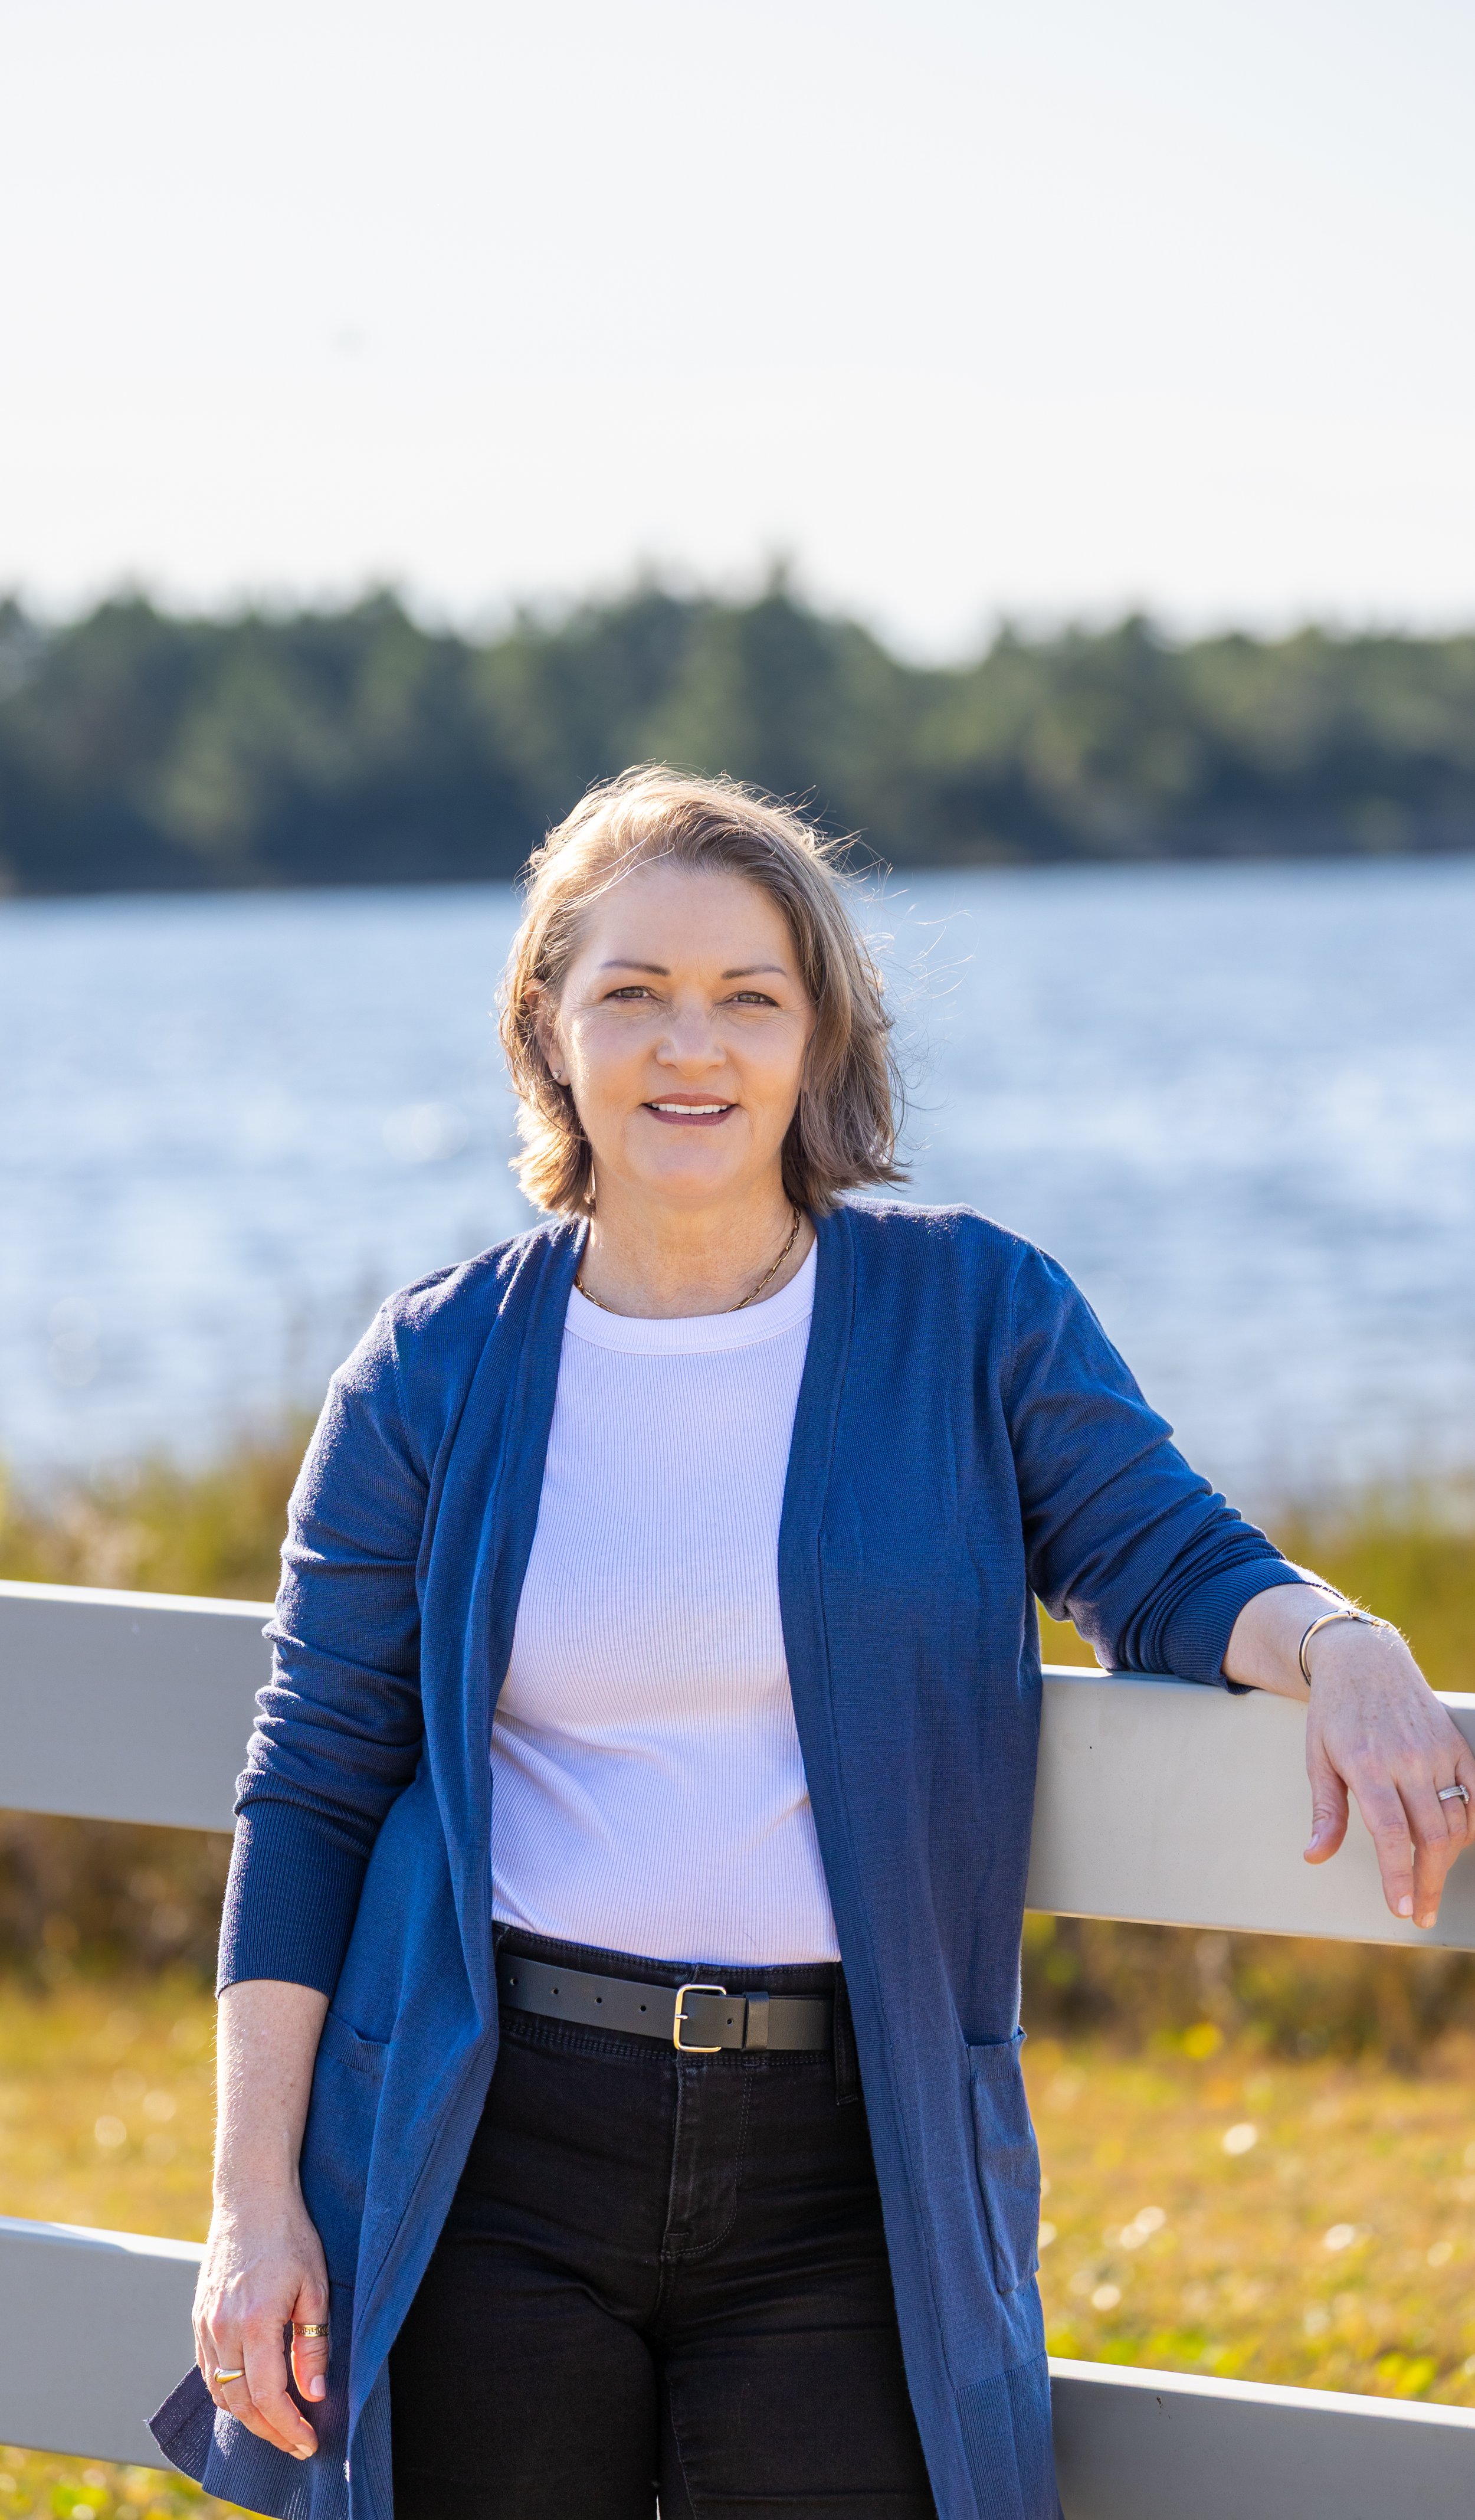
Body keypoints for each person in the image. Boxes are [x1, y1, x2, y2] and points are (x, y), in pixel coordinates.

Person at [152, 767, 1473, 2520]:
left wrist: (1342, 1642)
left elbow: (1158, 1560)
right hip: (491, 2146)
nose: (686, 1046)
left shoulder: (970, 1312)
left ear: (816, 1041)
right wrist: (254, 2203)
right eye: (630, 994)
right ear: (548, 1029)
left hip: (853, 2162)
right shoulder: (431, 1370)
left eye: (745, 999)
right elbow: (312, 1791)